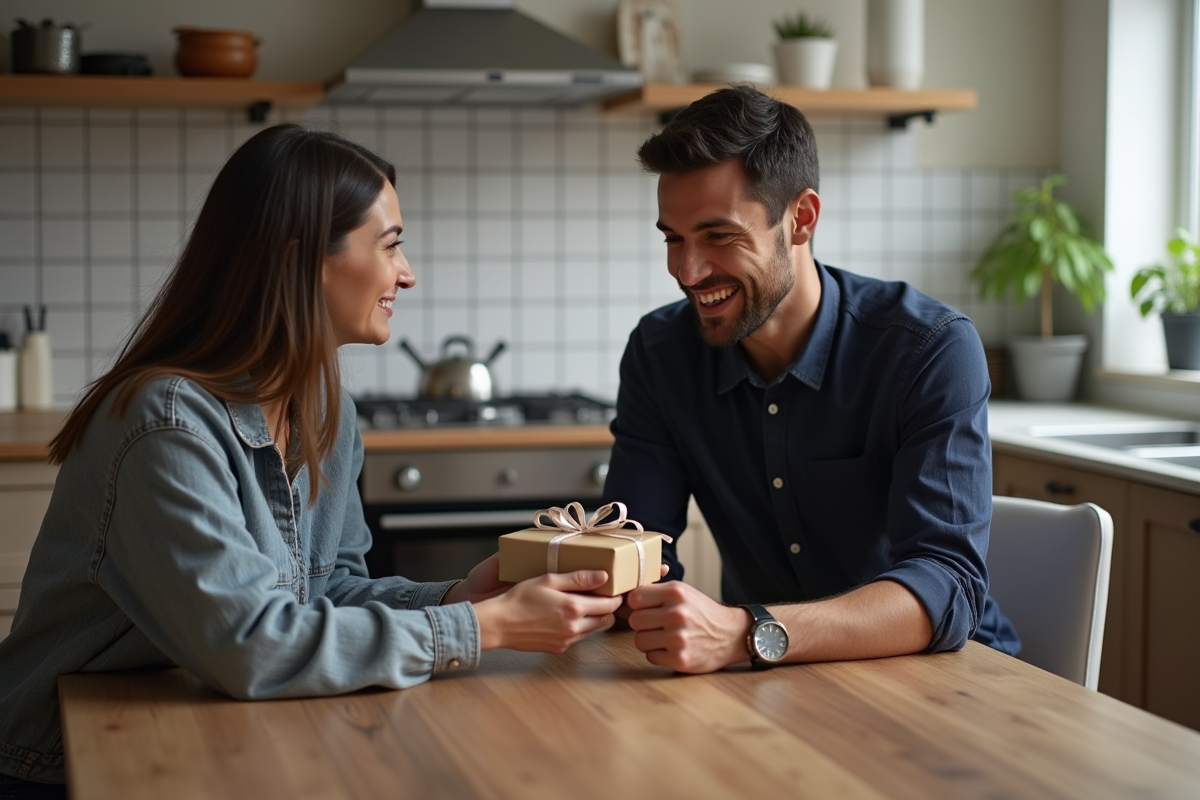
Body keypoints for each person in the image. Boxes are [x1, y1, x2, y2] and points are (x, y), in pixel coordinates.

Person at [0, 124, 623, 796]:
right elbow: (252, 647)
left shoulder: (325, 407)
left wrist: (455, 595)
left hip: (209, 726)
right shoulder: (166, 425)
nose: (407, 274)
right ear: (301, 261)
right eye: (390, 247)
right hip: (64, 767)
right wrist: (482, 627)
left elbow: (327, 595)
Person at [604, 85, 1020, 674]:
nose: (687, 271)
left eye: (718, 236)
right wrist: (605, 582)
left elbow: (946, 584)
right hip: (771, 683)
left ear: (800, 219)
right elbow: (637, 545)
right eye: (674, 238)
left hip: (948, 679)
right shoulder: (660, 354)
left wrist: (745, 631)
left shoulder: (930, 350)